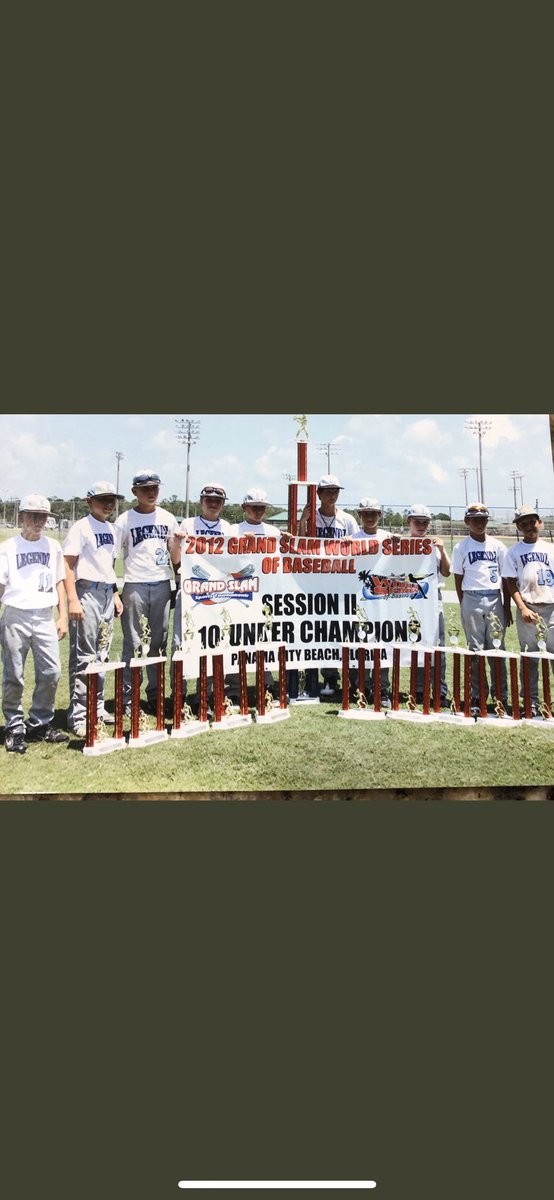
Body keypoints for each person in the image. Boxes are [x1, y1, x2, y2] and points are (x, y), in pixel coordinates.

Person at [0, 493, 68, 753]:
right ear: (21, 517)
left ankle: (40, 723)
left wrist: (62, 615)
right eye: (34, 516)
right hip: (15, 614)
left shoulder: (52, 546)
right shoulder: (8, 547)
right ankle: (14, 726)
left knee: (52, 672)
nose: (39, 521)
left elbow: (59, 580)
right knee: (14, 675)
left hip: (44, 615)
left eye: (43, 517)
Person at [113, 469, 180, 713]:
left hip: (163, 583)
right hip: (135, 585)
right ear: (135, 492)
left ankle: (156, 695)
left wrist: (179, 581)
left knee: (158, 643)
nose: (151, 492)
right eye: (145, 489)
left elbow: (175, 557)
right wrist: (113, 591)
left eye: (155, 488)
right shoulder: (124, 520)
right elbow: (110, 557)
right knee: (133, 644)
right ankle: (128, 700)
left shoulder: (168, 518)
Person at [63, 481, 124, 736]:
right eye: (102, 499)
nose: (108, 504)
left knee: (102, 654)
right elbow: (67, 566)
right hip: (86, 591)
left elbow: (107, 565)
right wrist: (73, 600)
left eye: (112, 499)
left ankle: (96, 708)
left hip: (106, 593)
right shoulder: (81, 527)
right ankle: (78, 715)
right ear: (90, 501)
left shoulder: (112, 528)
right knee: (84, 656)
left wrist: (115, 593)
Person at [298, 474, 359, 699]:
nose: (333, 494)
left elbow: (358, 548)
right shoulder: (311, 517)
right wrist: (303, 521)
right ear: (319, 494)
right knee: (324, 633)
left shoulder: (347, 520)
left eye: (336, 491)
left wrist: (350, 546)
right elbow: (300, 547)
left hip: (342, 584)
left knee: (347, 631)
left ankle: (354, 679)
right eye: (328, 491)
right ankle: (329, 676)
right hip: (317, 584)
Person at [170, 483, 231, 707]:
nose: (213, 503)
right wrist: (177, 541)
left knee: (214, 644)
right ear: (201, 501)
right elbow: (176, 560)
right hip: (190, 593)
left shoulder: (227, 528)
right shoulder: (188, 524)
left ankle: (207, 695)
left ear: (223, 504)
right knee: (181, 643)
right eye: (209, 499)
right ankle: (179, 697)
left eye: (218, 500)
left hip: (218, 595)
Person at [451, 502, 511, 712]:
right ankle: (477, 695)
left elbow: (506, 578)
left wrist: (506, 606)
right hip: (471, 596)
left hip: (495, 597)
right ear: (467, 521)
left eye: (483, 519)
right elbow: (458, 579)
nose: (479, 523)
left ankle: (501, 695)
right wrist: (464, 603)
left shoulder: (497, 546)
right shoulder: (461, 547)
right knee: (475, 650)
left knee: (497, 648)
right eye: (475, 519)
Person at [503, 504, 554, 715]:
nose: (528, 526)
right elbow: (510, 583)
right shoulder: (513, 551)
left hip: (551, 607)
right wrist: (522, 607)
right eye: (522, 523)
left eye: (531, 521)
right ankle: (531, 703)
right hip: (528, 607)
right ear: (518, 527)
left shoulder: (550, 548)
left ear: (539, 522)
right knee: (529, 658)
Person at [405, 503, 450, 705]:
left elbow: (447, 572)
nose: (421, 525)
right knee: (416, 644)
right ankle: (419, 689)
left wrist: (441, 549)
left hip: (433, 598)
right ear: (409, 522)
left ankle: (440, 690)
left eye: (425, 522)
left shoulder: (434, 546)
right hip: (412, 598)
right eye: (417, 522)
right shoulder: (401, 546)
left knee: (438, 644)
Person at [352, 498, 391, 707]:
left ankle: (381, 688)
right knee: (360, 645)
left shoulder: (389, 538)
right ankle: (360, 688)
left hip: (383, 602)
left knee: (381, 645)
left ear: (380, 515)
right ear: (360, 515)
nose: (369, 517)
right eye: (365, 513)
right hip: (359, 601)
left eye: (373, 513)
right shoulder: (351, 539)